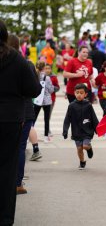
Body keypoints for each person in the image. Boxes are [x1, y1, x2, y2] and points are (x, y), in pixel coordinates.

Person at [0, 20, 41, 226]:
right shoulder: (15, 58)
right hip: (9, 119)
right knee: (7, 170)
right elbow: (34, 90)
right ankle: (5, 218)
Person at [63, 83, 99, 170]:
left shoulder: (88, 105)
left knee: (85, 146)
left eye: (81, 93)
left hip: (87, 131)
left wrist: (97, 129)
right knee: (79, 148)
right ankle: (82, 161)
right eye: (77, 92)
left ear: (85, 94)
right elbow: (67, 119)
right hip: (76, 131)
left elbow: (94, 118)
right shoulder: (71, 106)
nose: (79, 94)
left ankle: (89, 148)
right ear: (74, 93)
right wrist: (65, 130)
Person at [33, 61, 55, 143]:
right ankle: (46, 136)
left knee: (33, 118)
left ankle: (29, 135)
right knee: (46, 119)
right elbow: (51, 90)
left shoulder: (35, 76)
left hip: (37, 100)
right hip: (46, 101)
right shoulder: (47, 78)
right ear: (43, 68)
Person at [45, 64, 60, 137]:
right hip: (40, 99)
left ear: (51, 69)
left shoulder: (54, 77)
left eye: (49, 68)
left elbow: (57, 87)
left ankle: (47, 130)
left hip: (51, 99)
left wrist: (51, 87)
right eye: (46, 68)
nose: (47, 70)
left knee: (48, 116)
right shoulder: (40, 76)